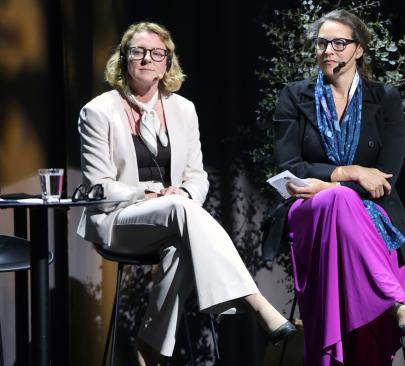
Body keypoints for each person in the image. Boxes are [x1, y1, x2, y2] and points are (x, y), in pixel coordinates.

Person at [76, 22, 295, 365]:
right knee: (180, 210)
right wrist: (153, 193)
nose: (147, 58)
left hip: (175, 218)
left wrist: (184, 194)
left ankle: (148, 348)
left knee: (182, 243)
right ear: (124, 59)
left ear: (167, 63)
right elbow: (99, 186)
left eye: (157, 53)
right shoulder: (98, 111)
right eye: (138, 51)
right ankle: (256, 302)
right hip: (119, 220)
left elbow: (197, 175)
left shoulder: (183, 109)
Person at [273, 9, 405, 366]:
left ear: (358, 50)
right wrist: (350, 172)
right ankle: (395, 303)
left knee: (343, 200)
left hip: (370, 212)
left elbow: (385, 178)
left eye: (339, 42)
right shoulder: (294, 96)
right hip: (308, 211)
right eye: (322, 43)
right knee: (341, 196)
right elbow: (290, 167)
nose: (329, 50)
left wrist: (326, 183)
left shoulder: (385, 97)